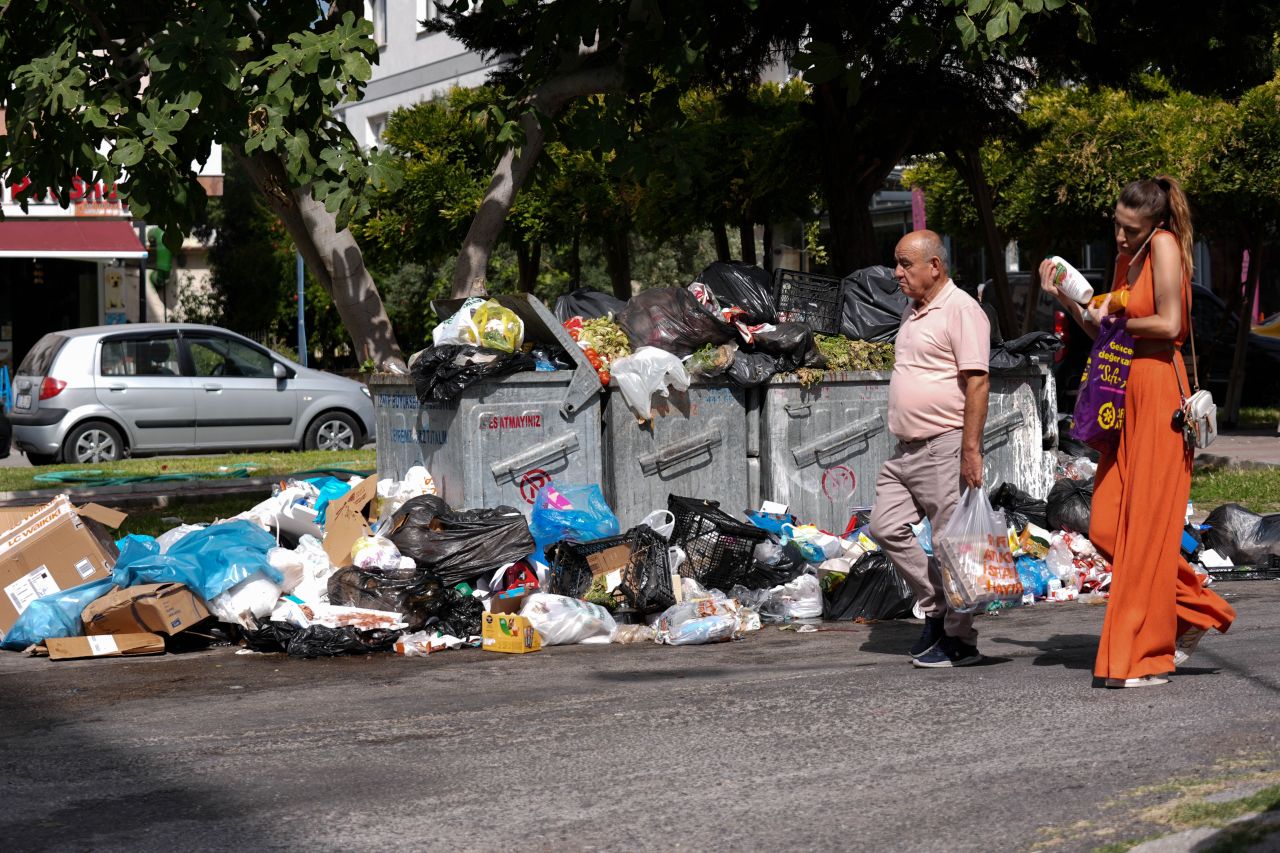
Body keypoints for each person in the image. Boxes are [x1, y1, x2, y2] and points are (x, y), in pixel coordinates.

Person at [1040, 176, 1235, 689]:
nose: (1121, 238)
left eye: (1131, 229)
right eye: (1117, 227)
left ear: (1155, 223)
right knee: (1106, 524)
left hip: (1160, 393)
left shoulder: (1165, 245)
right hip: (1124, 394)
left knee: (1146, 531)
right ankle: (1195, 606)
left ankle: (1144, 656)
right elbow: (1106, 329)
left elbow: (1170, 323)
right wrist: (1072, 301)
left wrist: (1119, 313)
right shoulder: (1130, 259)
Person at [870, 230, 991, 668]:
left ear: (935, 266)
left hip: (944, 446)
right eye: (897, 263)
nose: (896, 273)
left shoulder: (962, 310)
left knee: (949, 546)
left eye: (906, 264)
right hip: (905, 450)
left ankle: (962, 639)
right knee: (885, 527)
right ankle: (937, 606)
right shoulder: (913, 310)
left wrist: (970, 450)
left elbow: (978, 382)